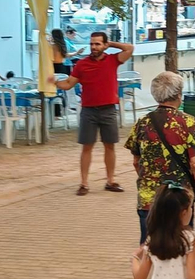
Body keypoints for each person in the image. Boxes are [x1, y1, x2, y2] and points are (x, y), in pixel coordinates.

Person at [123, 71, 195, 279]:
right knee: (184, 246)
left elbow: (136, 161)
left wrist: (148, 181)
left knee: (148, 248)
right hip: (179, 198)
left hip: (149, 200)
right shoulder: (189, 123)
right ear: (179, 95)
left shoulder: (142, 123)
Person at [55, 31, 135, 196]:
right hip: (89, 111)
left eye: (97, 44)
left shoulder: (113, 60)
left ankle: (110, 180)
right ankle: (84, 183)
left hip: (108, 109)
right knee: (87, 147)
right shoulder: (82, 64)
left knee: (109, 146)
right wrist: (52, 82)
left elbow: (129, 48)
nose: (93, 47)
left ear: (105, 45)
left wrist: (110, 44)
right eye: (92, 44)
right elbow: (69, 84)